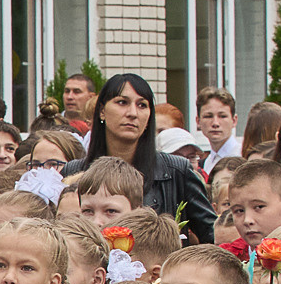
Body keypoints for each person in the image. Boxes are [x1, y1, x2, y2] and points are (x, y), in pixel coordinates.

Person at [65, 75, 216, 244]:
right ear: (102, 110)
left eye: (142, 105)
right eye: (122, 102)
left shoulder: (176, 171)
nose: (132, 113)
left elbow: (213, 237)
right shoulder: (74, 172)